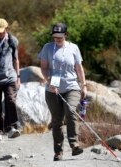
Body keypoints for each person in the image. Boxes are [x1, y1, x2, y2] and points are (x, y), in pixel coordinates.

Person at [38, 23, 87, 161]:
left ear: (66, 35)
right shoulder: (47, 48)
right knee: (57, 120)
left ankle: (74, 144)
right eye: (55, 37)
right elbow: (44, 67)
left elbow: (79, 67)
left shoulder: (73, 48)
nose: (57, 39)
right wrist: (49, 81)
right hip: (52, 89)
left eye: (60, 36)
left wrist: (84, 84)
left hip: (71, 86)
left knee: (71, 110)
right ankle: (58, 152)